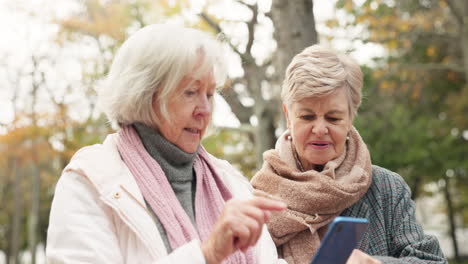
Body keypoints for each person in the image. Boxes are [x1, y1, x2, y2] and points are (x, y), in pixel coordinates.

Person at [46, 24, 287, 264]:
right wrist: (207, 255)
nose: (205, 110)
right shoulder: (90, 181)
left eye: (210, 94)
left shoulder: (230, 182)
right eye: (191, 92)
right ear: (144, 95)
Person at [251, 45, 447, 264]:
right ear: (288, 115)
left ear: (351, 117)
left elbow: (432, 261)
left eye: (333, 118)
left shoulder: (386, 189)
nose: (320, 129)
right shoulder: (254, 198)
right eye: (307, 117)